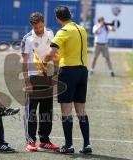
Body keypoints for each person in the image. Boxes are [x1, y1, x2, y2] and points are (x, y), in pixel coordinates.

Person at [44, 6, 92, 154]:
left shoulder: (63, 31)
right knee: (81, 111)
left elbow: (51, 53)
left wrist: (44, 61)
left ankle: (69, 145)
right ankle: (87, 145)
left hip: (68, 72)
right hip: (83, 71)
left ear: (58, 19)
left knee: (66, 110)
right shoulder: (82, 29)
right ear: (70, 15)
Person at [21, 12, 60, 152]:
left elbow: (55, 54)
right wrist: (27, 82)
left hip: (48, 76)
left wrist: (55, 73)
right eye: (36, 28)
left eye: (41, 27)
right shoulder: (27, 39)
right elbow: (24, 62)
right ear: (32, 26)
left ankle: (45, 140)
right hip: (33, 77)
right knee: (31, 111)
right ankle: (30, 141)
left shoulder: (50, 33)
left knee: (47, 110)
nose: (39, 30)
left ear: (44, 22)